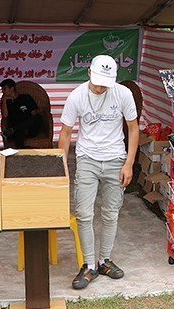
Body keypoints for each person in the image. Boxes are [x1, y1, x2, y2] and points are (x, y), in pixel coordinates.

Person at [58, 55, 139, 290]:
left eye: (106, 82)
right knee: (83, 213)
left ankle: (105, 260)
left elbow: (133, 129)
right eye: (97, 81)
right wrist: (62, 166)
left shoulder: (123, 94)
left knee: (111, 212)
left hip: (115, 158)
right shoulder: (77, 96)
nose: (101, 86)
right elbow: (65, 133)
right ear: (88, 74)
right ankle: (88, 264)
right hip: (87, 159)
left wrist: (129, 163)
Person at [0, 78, 44, 149]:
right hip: (17, 129)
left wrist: (27, 123)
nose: (3, 91)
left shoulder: (26, 97)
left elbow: (34, 113)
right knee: (19, 132)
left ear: (12, 88)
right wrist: (4, 100)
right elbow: (5, 116)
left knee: (38, 117)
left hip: (29, 128)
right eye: (2, 89)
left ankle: (14, 129)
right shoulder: (6, 102)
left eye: (5, 89)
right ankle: (24, 151)